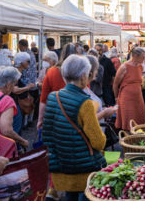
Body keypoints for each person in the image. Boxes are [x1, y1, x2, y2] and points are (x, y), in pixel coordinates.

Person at [43, 55, 106, 201]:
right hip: (83, 170)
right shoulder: (85, 103)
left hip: (61, 166)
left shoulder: (54, 97)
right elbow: (98, 142)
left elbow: (48, 133)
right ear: (84, 76)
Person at [0, 66, 29, 148]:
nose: (14, 87)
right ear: (9, 84)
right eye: (14, 84)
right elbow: (6, 131)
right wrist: (23, 141)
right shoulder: (6, 101)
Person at [38, 43, 78, 129]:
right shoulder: (81, 72)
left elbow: (43, 99)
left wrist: (40, 120)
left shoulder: (52, 71)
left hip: (54, 114)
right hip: (76, 115)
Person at [113, 48, 145, 131]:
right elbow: (115, 84)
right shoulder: (124, 67)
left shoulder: (140, 66)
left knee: (139, 120)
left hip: (138, 98)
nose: (144, 58)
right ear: (135, 56)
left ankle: (137, 139)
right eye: (142, 57)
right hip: (126, 99)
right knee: (128, 121)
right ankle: (128, 140)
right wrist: (116, 97)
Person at [84, 55, 117, 127]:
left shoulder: (85, 88)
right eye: (96, 69)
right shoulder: (83, 92)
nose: (97, 72)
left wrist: (103, 110)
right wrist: (104, 112)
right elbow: (88, 120)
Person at [11, 52, 36, 133]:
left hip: (15, 103)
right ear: (21, 63)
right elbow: (14, 90)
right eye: (27, 61)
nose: (29, 63)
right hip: (14, 103)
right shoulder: (15, 73)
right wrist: (27, 87)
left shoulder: (19, 72)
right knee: (16, 128)